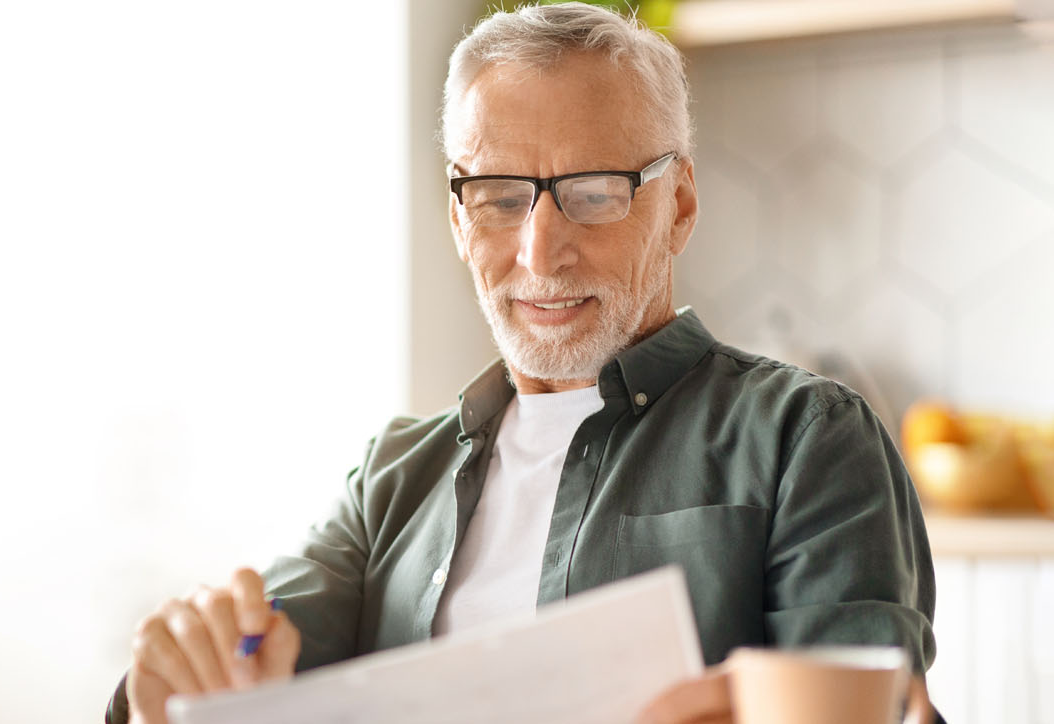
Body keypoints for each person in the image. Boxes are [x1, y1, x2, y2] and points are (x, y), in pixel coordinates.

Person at [106, 4, 939, 723]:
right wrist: (179, 681)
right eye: (500, 197)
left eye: (594, 191)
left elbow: (877, 702)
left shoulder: (805, 438)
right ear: (459, 216)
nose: (541, 251)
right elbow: (245, 666)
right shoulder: (394, 478)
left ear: (678, 204)